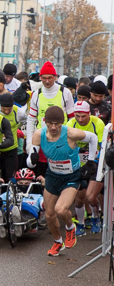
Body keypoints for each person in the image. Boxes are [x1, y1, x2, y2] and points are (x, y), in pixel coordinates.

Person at [27, 106, 98, 256]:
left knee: (61, 209)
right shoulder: (39, 134)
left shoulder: (71, 133)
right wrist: (31, 160)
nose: (53, 127)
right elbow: (30, 163)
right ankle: (58, 242)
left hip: (71, 176)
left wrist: (91, 162)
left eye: (57, 124)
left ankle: (70, 227)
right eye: (50, 124)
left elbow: (93, 138)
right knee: (49, 214)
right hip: (52, 175)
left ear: (62, 122)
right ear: (45, 122)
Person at [26, 62, 75, 177]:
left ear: (55, 77)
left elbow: (72, 119)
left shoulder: (65, 92)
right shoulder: (37, 94)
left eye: (50, 78)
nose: (47, 81)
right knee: (41, 175)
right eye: (44, 78)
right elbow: (31, 120)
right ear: (40, 78)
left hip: (61, 140)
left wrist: (70, 139)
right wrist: (29, 142)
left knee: (59, 174)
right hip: (43, 139)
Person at [67, 101, 105, 236]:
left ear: (89, 114)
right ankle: (81, 224)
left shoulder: (98, 123)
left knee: (91, 197)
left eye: (83, 116)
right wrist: (78, 149)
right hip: (79, 165)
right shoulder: (71, 124)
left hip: (95, 164)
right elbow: (67, 146)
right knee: (78, 199)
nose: (80, 119)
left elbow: (103, 145)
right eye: (77, 116)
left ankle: (95, 217)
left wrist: (93, 160)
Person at [0, 168, 45, 238]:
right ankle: (0, 225)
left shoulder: (37, 197)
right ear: (16, 183)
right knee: (4, 213)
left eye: (27, 183)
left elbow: (47, 206)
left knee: (27, 218)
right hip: (9, 212)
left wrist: (45, 187)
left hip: (29, 213)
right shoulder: (9, 194)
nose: (23, 185)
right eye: (20, 183)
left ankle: (20, 225)